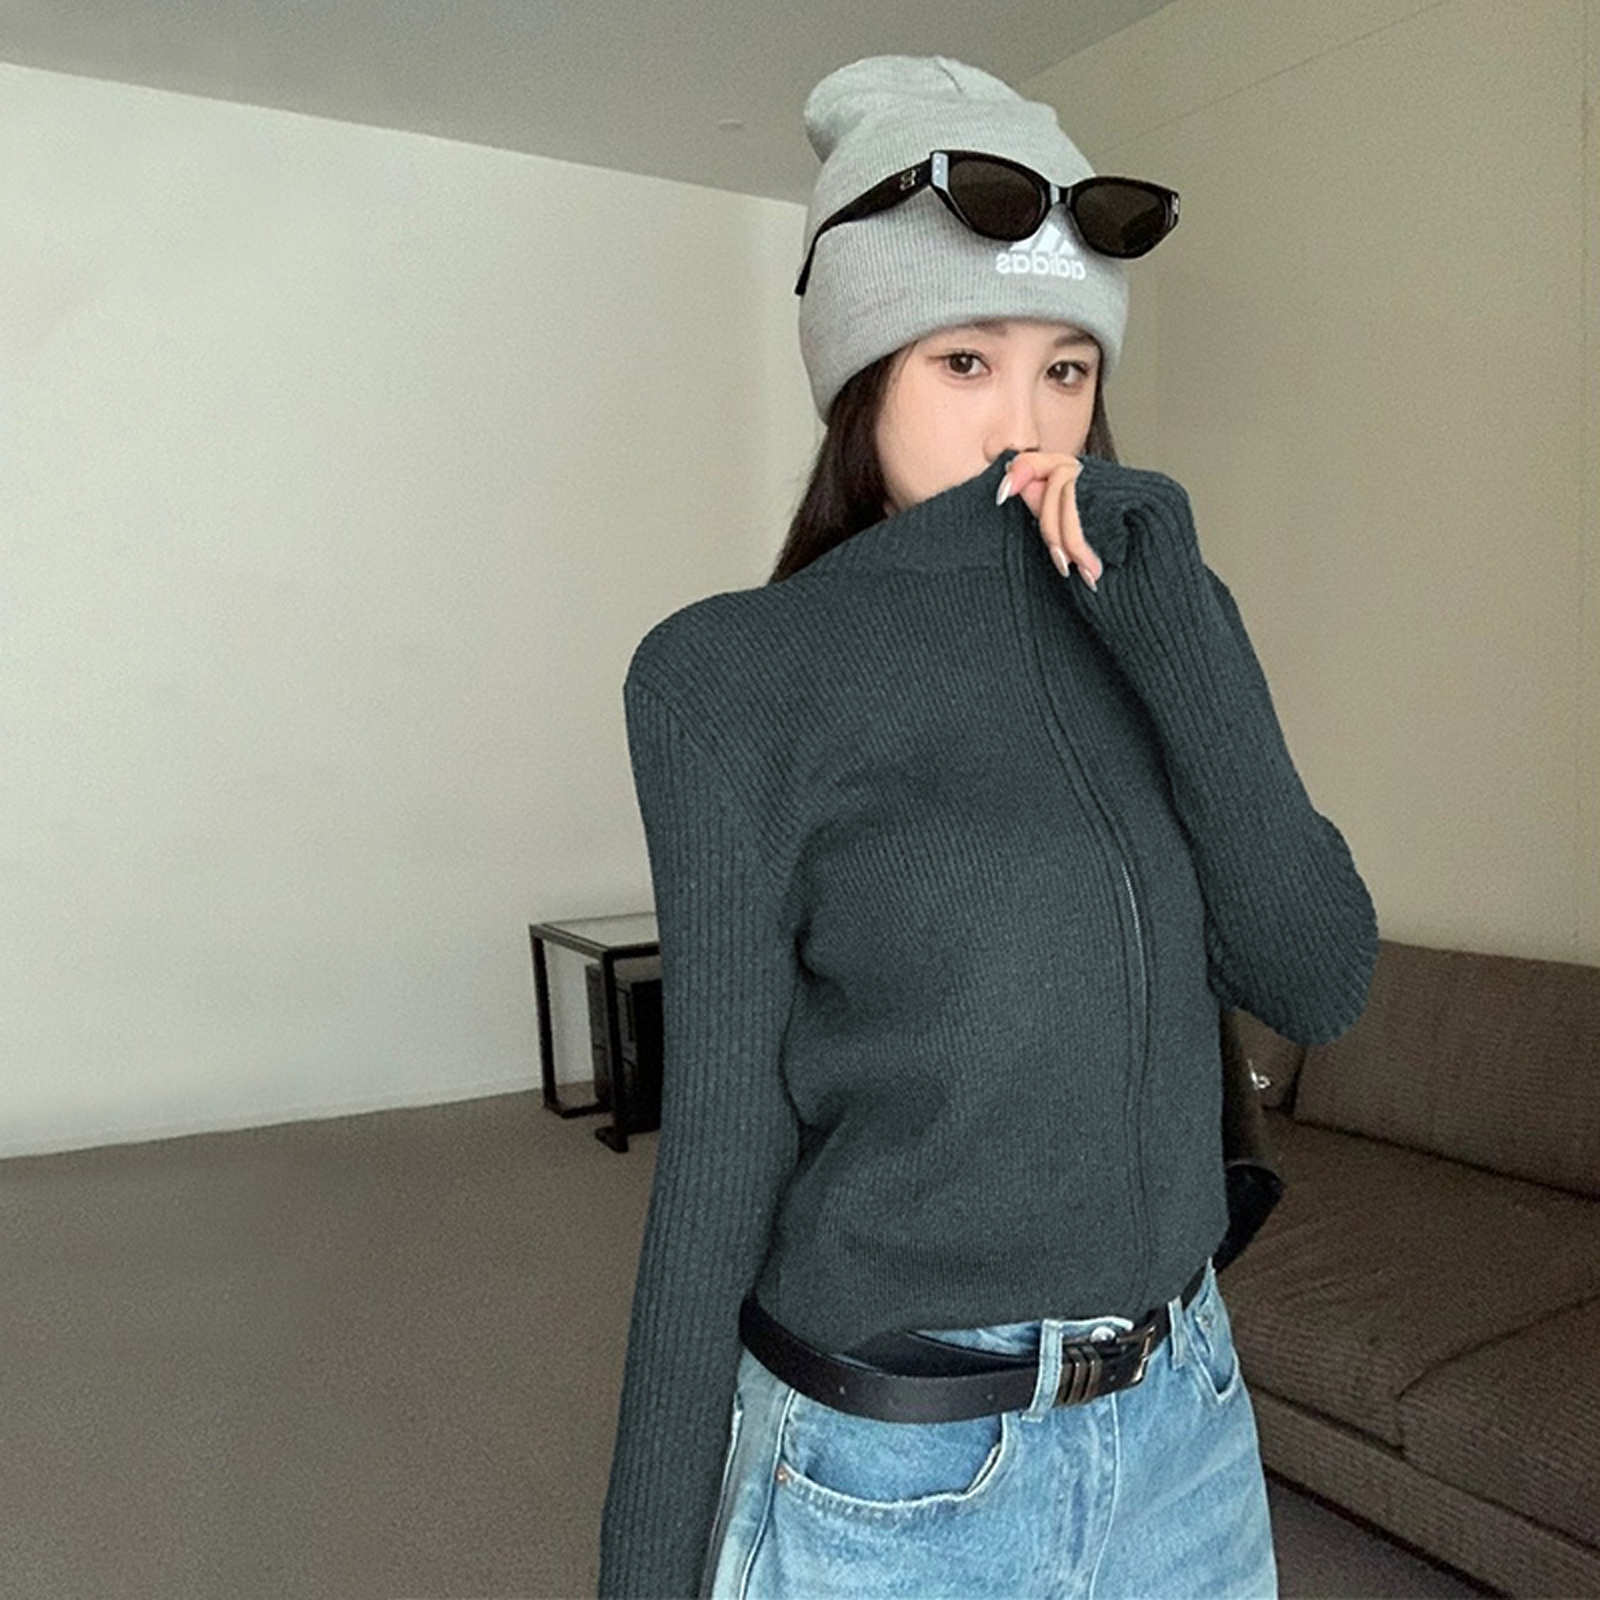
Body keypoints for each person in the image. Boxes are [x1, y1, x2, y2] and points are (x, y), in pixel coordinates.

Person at [598, 54, 1378, 1600]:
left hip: (1187, 1429)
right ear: (862, 377)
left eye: (1067, 369)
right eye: (965, 361)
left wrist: (1184, 632)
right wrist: (643, 1569)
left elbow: (1318, 977)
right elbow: (721, 1160)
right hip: (901, 1471)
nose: (1028, 425)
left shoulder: (1164, 616)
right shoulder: (731, 676)